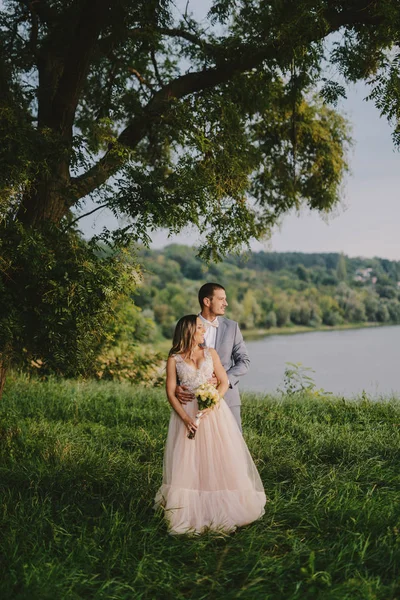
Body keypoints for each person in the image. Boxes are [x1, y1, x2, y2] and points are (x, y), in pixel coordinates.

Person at [154, 315, 266, 535]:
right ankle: (188, 508)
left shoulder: (210, 353)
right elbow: (170, 392)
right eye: (198, 328)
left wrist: (214, 399)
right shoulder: (174, 359)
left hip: (214, 413)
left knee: (218, 456)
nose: (203, 331)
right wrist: (186, 419)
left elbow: (224, 382)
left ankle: (223, 504)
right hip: (186, 414)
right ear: (188, 331)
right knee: (188, 460)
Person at [176, 283, 249, 431]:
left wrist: (224, 379)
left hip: (228, 398)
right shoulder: (188, 326)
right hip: (193, 403)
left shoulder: (232, 327)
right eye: (221, 299)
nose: (226, 303)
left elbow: (244, 361)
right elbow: (178, 359)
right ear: (207, 302)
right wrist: (177, 386)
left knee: (232, 448)